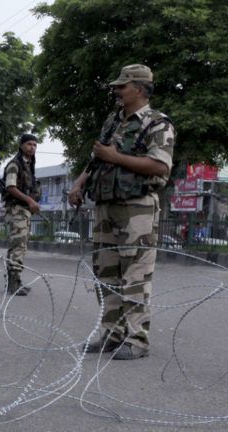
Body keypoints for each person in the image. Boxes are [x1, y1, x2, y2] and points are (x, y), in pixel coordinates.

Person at [68, 64, 175, 360]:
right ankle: (112, 334)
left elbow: (160, 166)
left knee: (135, 273)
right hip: (106, 204)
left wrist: (116, 157)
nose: (116, 91)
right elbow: (97, 159)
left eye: (122, 86)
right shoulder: (113, 121)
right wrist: (78, 184)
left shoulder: (158, 123)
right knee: (107, 273)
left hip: (137, 207)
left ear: (139, 89)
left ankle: (137, 340)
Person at [3, 134, 41, 296]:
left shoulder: (29, 165)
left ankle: (15, 280)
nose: (32, 147)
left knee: (20, 245)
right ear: (21, 146)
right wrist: (29, 201)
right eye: (29, 144)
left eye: (34, 145)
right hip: (16, 209)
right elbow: (11, 187)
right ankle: (13, 283)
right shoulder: (15, 164)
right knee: (18, 245)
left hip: (23, 210)